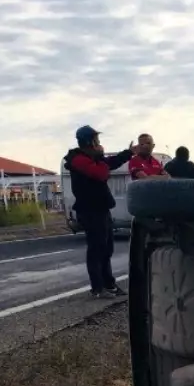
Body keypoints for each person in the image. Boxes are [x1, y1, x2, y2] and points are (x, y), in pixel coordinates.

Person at [64, 125, 136, 298]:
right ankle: (98, 288)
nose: (99, 142)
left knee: (106, 248)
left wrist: (128, 153)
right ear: (90, 141)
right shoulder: (79, 160)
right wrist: (100, 157)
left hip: (101, 208)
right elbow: (101, 173)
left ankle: (109, 284)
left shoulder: (92, 158)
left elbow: (109, 163)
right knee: (97, 249)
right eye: (96, 139)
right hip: (90, 210)